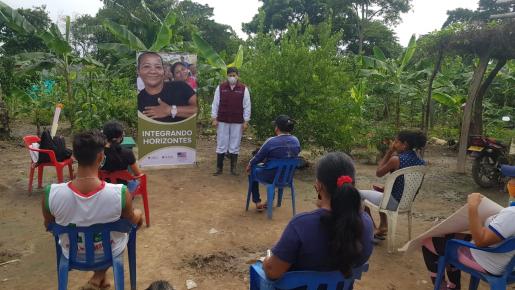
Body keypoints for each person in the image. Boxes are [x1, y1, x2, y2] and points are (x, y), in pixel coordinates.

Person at [42, 130, 143, 290]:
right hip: (109, 251)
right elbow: (131, 221)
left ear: (74, 157)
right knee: (125, 227)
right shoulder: (119, 193)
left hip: (72, 253)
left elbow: (49, 225)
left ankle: (98, 279)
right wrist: (139, 214)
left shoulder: (51, 193)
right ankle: (99, 276)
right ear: (101, 157)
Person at [262, 152, 374, 282]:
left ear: (319, 186)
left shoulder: (301, 225)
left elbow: (272, 272)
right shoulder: (366, 222)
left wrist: (265, 261)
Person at [421, 192, 515, 289]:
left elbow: (480, 241)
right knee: (447, 236)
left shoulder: (512, 214)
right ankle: (454, 286)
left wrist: (472, 206)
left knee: (427, 243)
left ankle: (442, 287)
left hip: (487, 261)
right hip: (504, 261)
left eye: (513, 179)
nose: (510, 182)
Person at [360, 130, 427, 240]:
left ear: (404, 144)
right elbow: (413, 186)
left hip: (392, 202)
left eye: (396, 142)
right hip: (406, 202)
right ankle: (383, 226)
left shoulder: (396, 159)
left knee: (357, 194)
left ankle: (373, 229)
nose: (394, 145)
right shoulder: (422, 163)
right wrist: (388, 188)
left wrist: (389, 152)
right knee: (382, 193)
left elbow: (379, 173)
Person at [246, 115, 300, 211]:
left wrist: (250, 164)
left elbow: (258, 157)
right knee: (274, 168)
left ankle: (257, 201)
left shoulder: (271, 141)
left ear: (277, 128)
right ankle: (271, 200)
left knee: (252, 171)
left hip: (271, 176)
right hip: (287, 177)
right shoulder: (296, 141)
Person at [211, 67, 251, 175]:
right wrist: (214, 118)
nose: (232, 77)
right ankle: (219, 169)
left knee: (235, 144)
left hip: (237, 120)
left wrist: (246, 121)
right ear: (227, 76)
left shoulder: (243, 89)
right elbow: (215, 104)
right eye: (230, 75)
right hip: (222, 119)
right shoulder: (221, 88)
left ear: (237, 76)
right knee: (221, 143)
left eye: (234, 75)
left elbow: (247, 106)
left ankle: (233, 169)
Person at [137, 52, 197, 123]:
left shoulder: (181, 86)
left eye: (158, 67)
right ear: (138, 72)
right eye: (146, 66)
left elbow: (197, 109)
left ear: (163, 72)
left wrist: (171, 110)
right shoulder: (139, 99)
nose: (153, 71)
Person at [101, 120, 142, 193]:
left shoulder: (97, 153)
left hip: (103, 188)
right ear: (120, 137)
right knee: (134, 182)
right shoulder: (128, 153)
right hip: (123, 190)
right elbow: (138, 174)